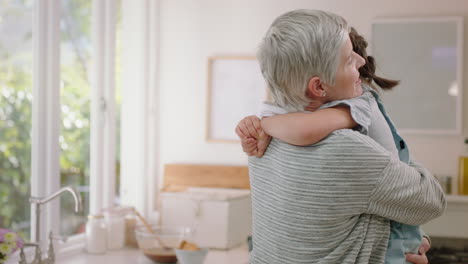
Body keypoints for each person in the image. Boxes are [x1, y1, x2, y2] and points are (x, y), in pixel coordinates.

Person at [236, 9, 445, 264]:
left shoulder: (261, 142)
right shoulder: (346, 149)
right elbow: (432, 201)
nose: (360, 61)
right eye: (348, 60)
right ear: (319, 86)